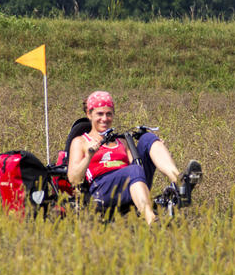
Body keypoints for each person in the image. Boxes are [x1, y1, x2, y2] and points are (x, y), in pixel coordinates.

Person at [66, 90, 200, 224]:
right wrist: (89, 156)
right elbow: (74, 178)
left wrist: (154, 147)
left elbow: (138, 167)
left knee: (148, 138)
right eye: (99, 114)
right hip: (102, 190)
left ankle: (179, 181)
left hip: (130, 184)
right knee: (133, 170)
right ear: (89, 114)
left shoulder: (122, 141)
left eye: (109, 114)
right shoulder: (80, 142)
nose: (105, 119)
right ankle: (151, 219)